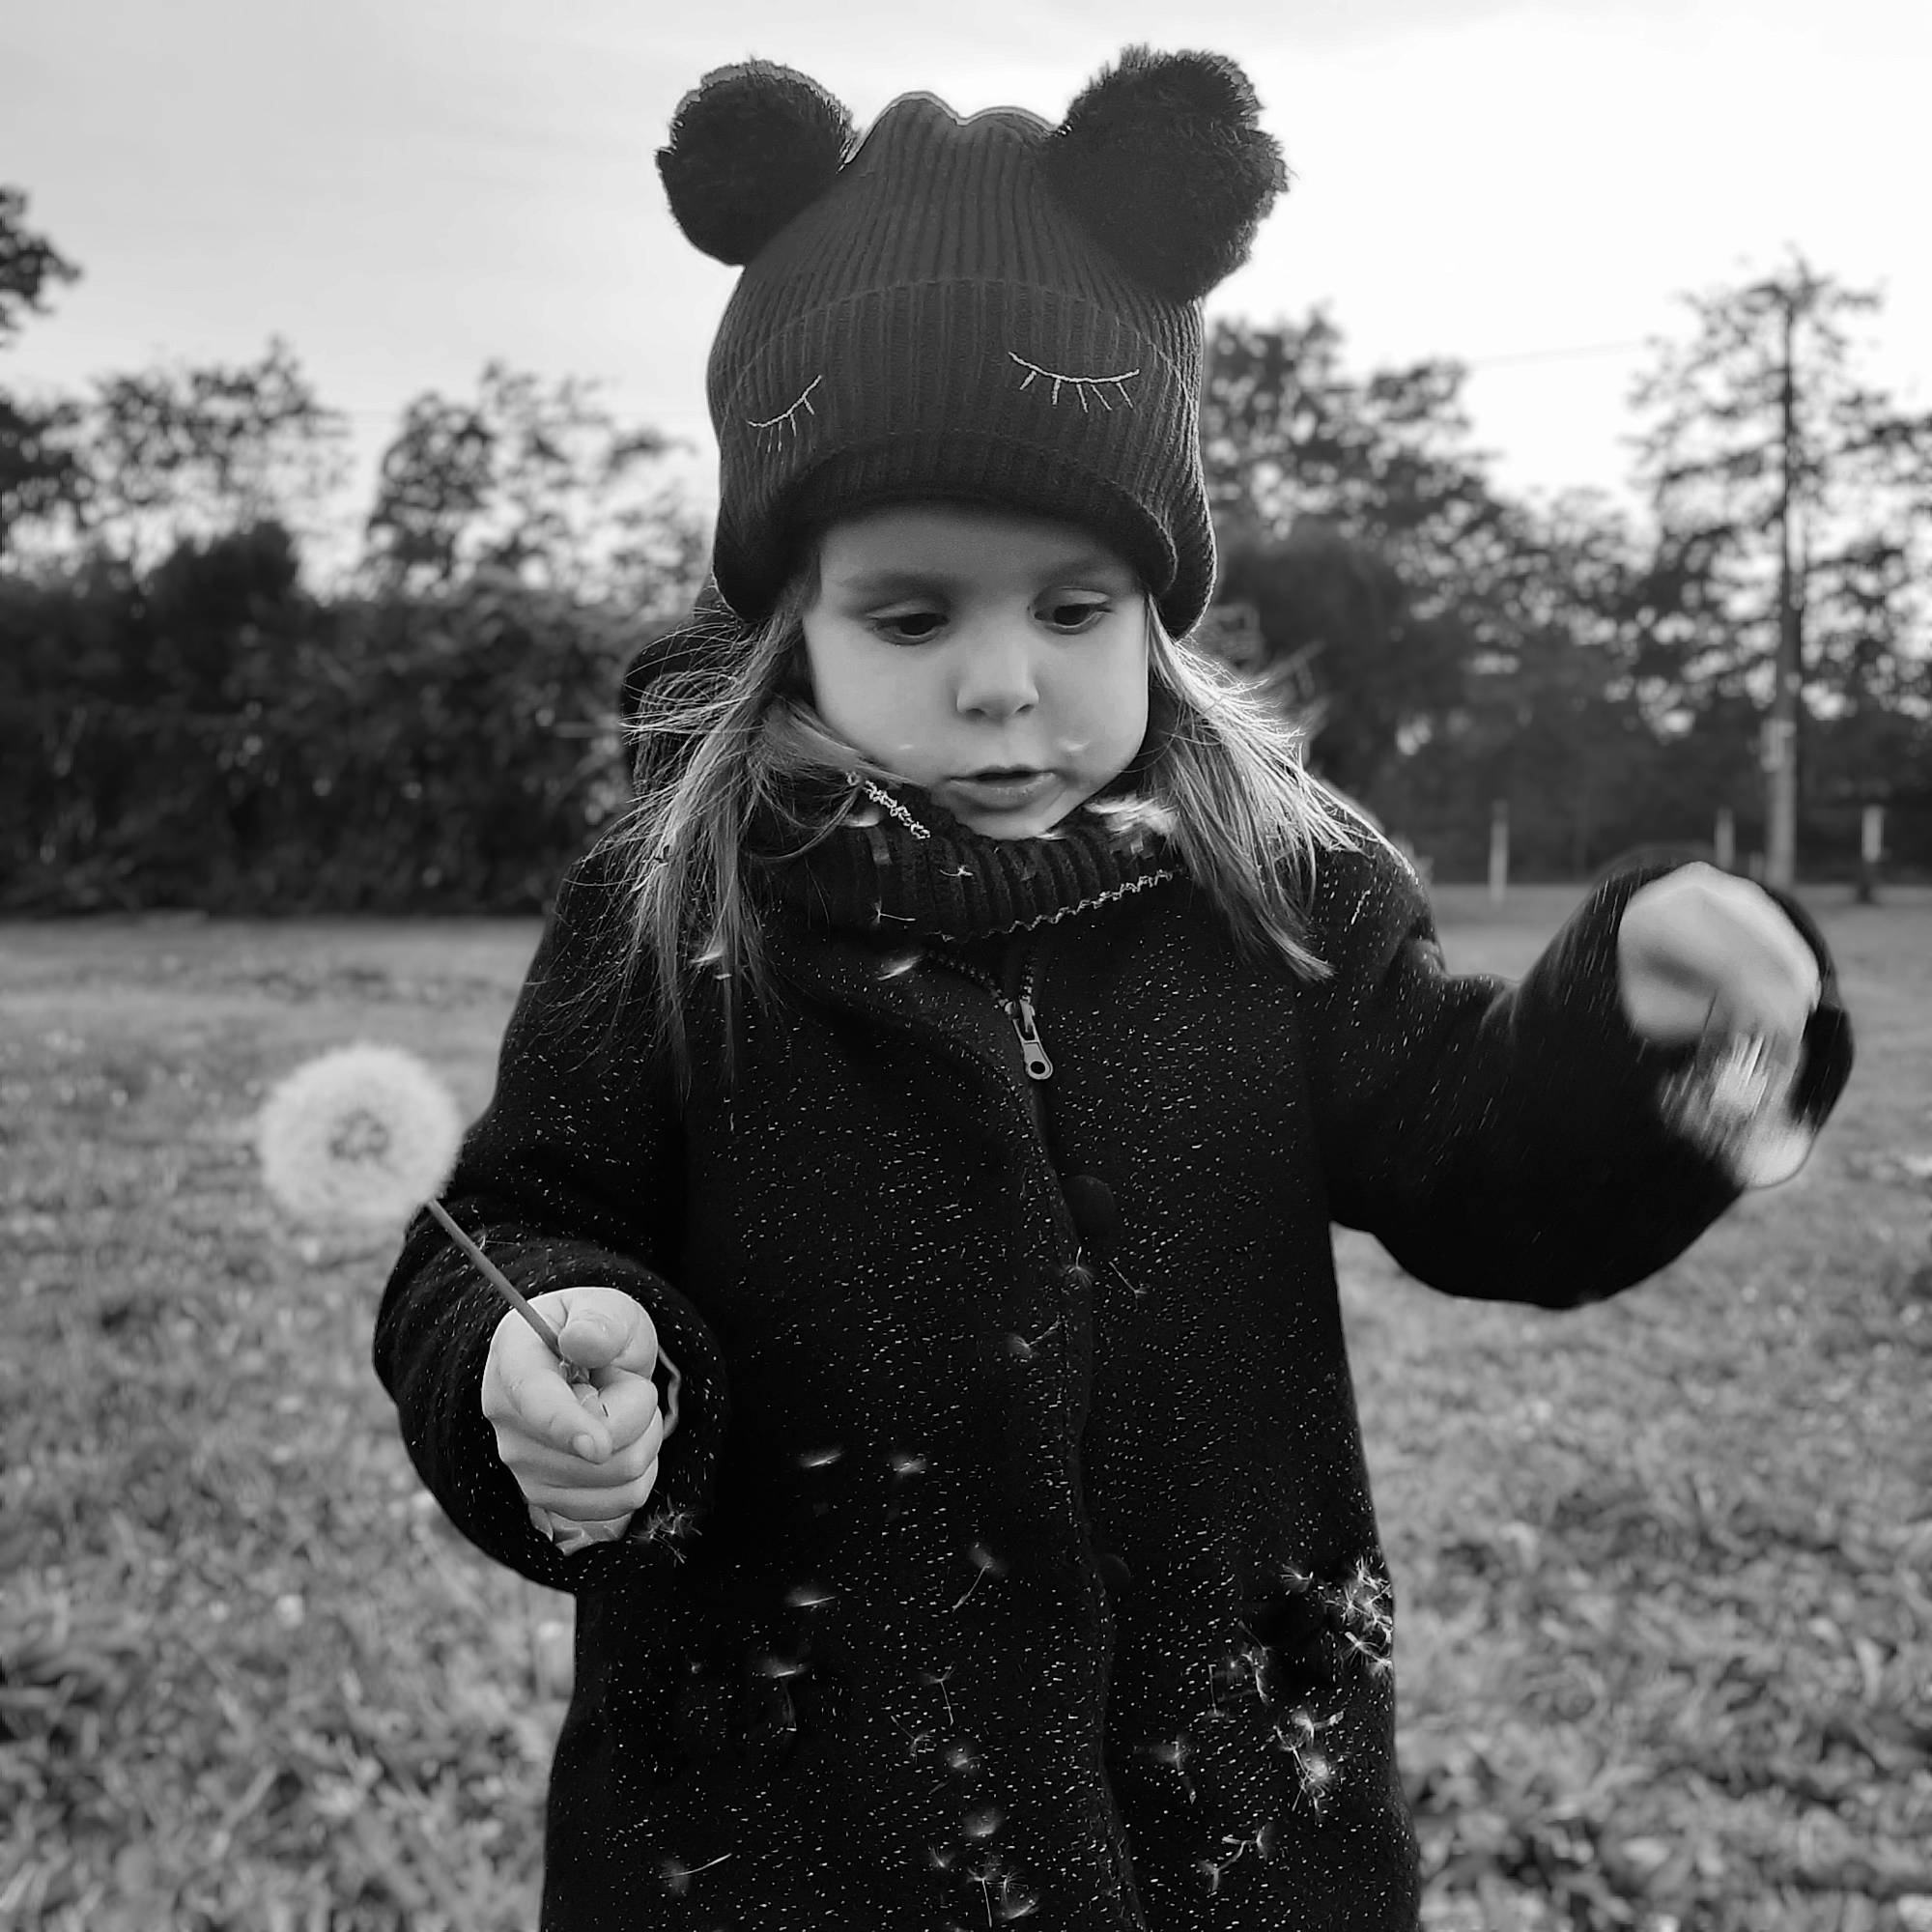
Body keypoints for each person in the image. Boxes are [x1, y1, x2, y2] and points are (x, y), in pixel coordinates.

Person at [374, 48, 1854, 1932]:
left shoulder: (1274, 890)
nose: (1005, 682)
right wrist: (546, 1341)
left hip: (1231, 1819)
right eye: (913, 614)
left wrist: (1636, 1024)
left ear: (1158, 600)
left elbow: (1480, 1161)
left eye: (1074, 609)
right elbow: (513, 1217)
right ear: (788, 616)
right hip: (784, 1830)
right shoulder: (673, 914)